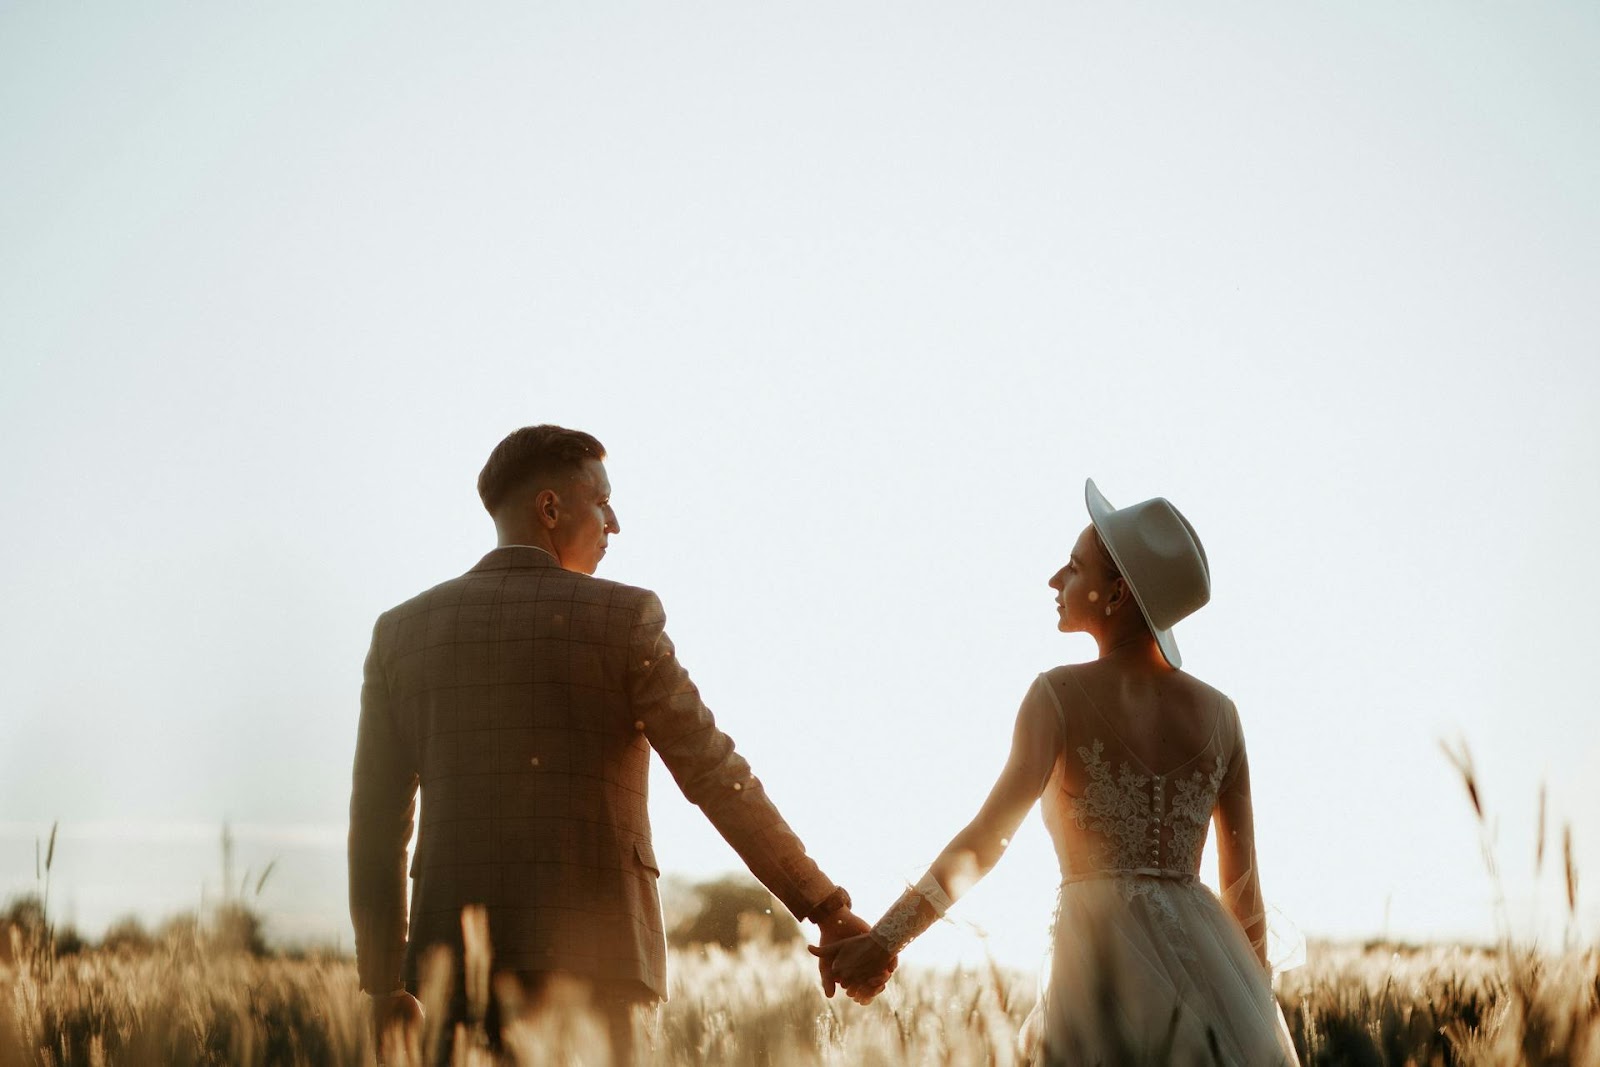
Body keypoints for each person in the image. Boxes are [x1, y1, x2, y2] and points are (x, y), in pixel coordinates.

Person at [349, 425, 885, 1065]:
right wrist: (823, 906)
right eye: (601, 501)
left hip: (451, 964)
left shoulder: (401, 634)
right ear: (550, 508)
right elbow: (713, 773)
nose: (615, 522)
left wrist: (383, 979)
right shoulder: (623, 618)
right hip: (601, 958)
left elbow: (377, 823)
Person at [816, 479, 1298, 1065]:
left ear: (1116, 594)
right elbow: (1243, 891)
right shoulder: (1222, 714)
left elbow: (987, 840)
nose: (1054, 580)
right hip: (1211, 977)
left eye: (1073, 567)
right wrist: (1249, 1008)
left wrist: (886, 940)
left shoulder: (1057, 695)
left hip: (1097, 968)